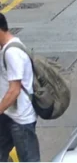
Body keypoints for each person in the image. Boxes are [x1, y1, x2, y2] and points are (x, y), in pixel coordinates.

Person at [0, 13, 39, 163]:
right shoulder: (7, 48)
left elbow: (14, 90)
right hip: (9, 115)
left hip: (21, 119)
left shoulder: (12, 53)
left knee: (29, 159)